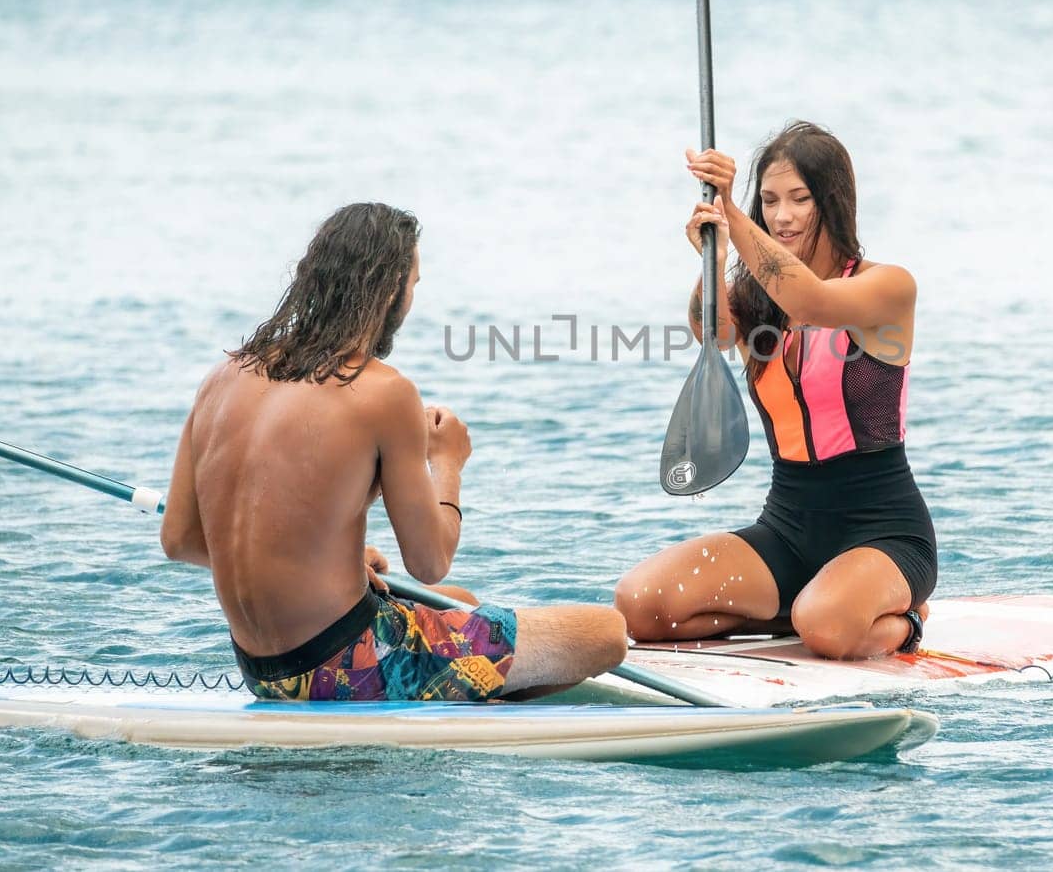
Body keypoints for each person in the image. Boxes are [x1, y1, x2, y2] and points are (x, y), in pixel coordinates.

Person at [161, 202, 626, 701]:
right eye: (414, 285)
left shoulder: (223, 377)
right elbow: (429, 561)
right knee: (605, 632)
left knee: (459, 604)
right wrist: (447, 461)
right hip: (346, 668)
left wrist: (308, 562)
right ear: (389, 291)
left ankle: (462, 682)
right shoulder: (382, 391)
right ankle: (458, 696)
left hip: (263, 669)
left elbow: (180, 538)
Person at [616, 122, 937, 659]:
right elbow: (711, 333)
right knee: (642, 605)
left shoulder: (888, 287)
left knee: (829, 630)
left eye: (799, 199)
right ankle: (802, 606)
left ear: (832, 203)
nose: (781, 216)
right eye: (767, 201)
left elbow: (813, 301)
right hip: (787, 528)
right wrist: (714, 257)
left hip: (884, 531)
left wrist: (733, 214)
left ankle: (905, 618)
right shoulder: (755, 299)